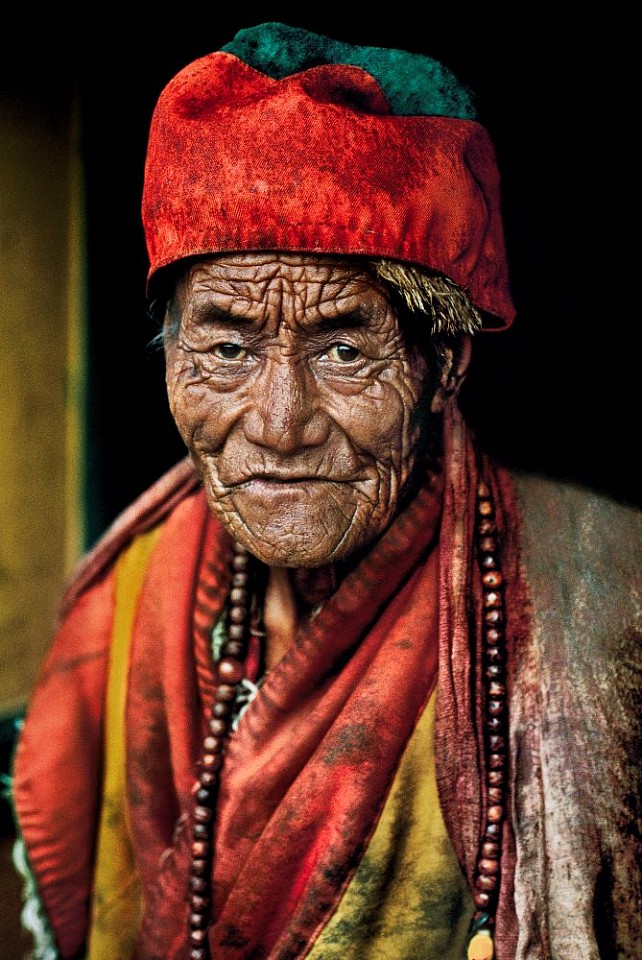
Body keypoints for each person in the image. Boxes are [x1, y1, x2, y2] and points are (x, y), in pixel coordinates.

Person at [10, 21, 641, 960]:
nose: (278, 422)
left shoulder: (611, 598)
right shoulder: (127, 601)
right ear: (169, 359)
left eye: (345, 348)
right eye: (226, 347)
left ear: (443, 368)